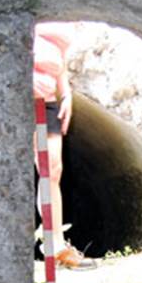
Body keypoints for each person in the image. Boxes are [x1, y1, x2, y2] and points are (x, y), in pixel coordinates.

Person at [33, 21, 94, 269]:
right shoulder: (37, 9)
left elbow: (59, 52)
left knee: (52, 170)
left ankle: (55, 245)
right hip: (15, 94)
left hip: (45, 100)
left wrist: (65, 92)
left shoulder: (68, 16)